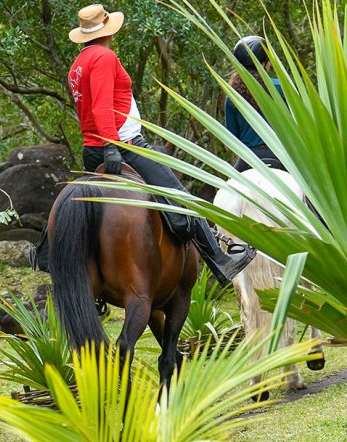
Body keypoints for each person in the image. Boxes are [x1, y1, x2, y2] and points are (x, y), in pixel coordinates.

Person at [66, 3, 255, 284]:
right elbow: (102, 108)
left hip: (91, 150)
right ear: (107, 30)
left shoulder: (78, 64)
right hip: (124, 146)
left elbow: (88, 109)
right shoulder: (104, 57)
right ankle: (220, 259)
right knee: (178, 195)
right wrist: (112, 146)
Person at [226, 35, 285, 172]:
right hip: (281, 156)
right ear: (265, 62)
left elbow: (232, 140)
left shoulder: (233, 95)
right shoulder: (282, 89)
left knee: (228, 189)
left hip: (249, 158)